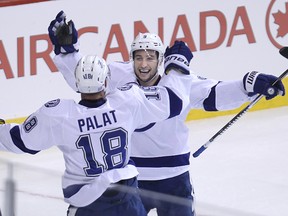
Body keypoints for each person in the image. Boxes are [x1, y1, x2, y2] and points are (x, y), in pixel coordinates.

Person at [48, 11, 286, 216]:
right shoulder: (118, 75)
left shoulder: (180, 82)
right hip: (132, 177)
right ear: (131, 58)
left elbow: (215, 94)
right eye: (139, 57)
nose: (144, 64)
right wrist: (67, 51)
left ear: (160, 60)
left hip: (174, 178)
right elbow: (85, 77)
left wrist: (249, 84)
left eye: (150, 58)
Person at [0, 54, 191, 216]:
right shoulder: (127, 102)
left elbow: (19, 141)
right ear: (106, 81)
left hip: (87, 205)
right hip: (127, 203)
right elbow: (174, 102)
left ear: (76, 82)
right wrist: (176, 66)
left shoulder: (60, 115)